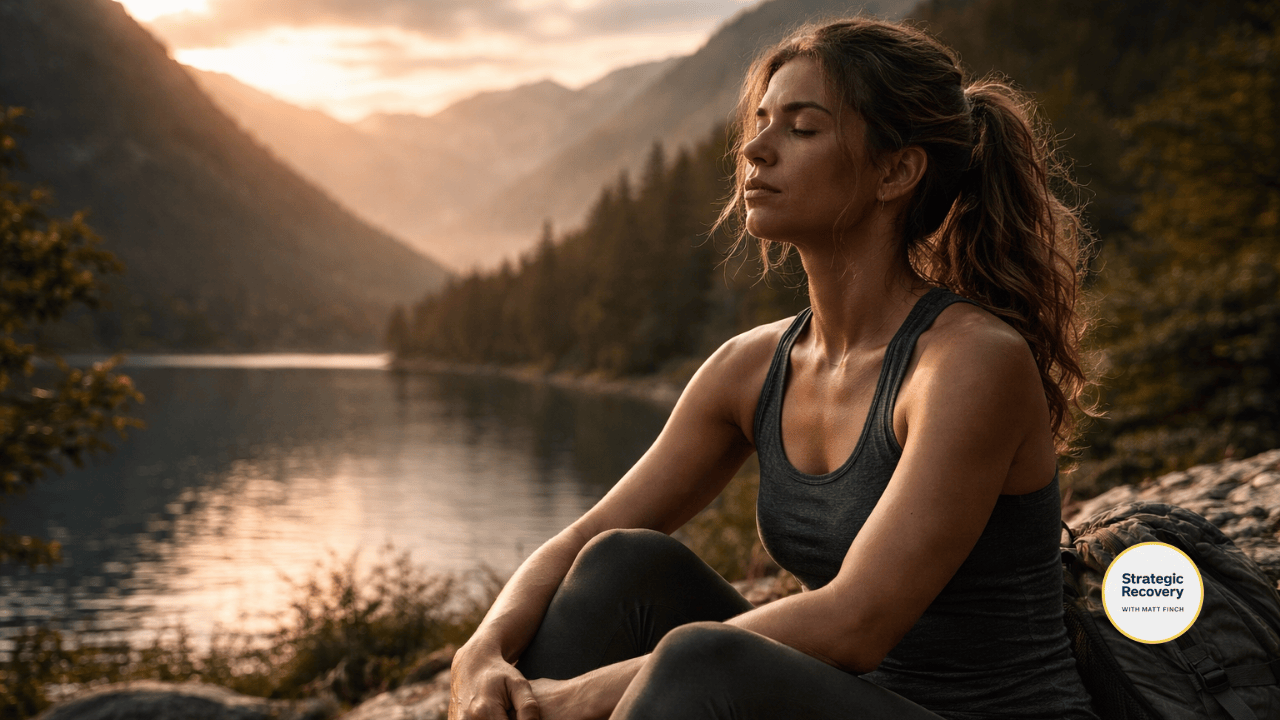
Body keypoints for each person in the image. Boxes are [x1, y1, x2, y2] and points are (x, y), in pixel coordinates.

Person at [450, 17, 1099, 720]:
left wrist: (576, 698)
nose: (755, 149)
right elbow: (583, 537)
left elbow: (854, 622)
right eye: (760, 122)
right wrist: (483, 650)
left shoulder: (969, 362)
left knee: (702, 661)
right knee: (621, 563)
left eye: (802, 128)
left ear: (896, 171)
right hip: (841, 703)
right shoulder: (753, 367)